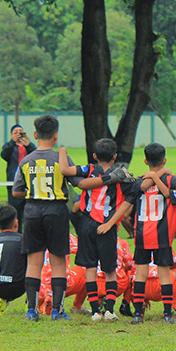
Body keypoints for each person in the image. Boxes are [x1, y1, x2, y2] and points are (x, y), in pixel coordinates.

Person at [101, 143, 176, 324]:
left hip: (142, 233)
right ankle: (167, 314)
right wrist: (163, 173)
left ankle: (138, 315)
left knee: (140, 273)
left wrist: (110, 222)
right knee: (164, 273)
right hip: (162, 235)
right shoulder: (169, 179)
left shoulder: (138, 183)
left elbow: (126, 206)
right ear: (164, 160)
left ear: (145, 161)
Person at [11, 114, 82, 321]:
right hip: (56, 212)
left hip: (32, 212)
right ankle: (57, 311)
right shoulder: (61, 159)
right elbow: (75, 180)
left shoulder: (26, 160)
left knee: (34, 263)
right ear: (56, 135)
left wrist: (34, 192)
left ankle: (31, 310)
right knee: (58, 262)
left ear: (34, 134)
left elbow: (16, 192)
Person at [58, 138, 132, 321]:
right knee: (110, 269)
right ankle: (109, 310)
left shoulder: (89, 170)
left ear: (94, 156)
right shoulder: (121, 174)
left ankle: (95, 311)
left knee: (90, 267)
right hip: (107, 224)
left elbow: (65, 170)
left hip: (87, 223)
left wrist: (62, 151)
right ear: (115, 156)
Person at [0, 123, 36, 226]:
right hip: (14, 180)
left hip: (29, 180)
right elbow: (4, 155)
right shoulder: (9, 146)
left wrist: (28, 145)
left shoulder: (28, 146)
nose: (18, 134)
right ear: (11, 135)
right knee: (15, 209)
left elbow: (36, 155)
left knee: (29, 209)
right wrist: (13, 142)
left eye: (20, 132)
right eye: (15, 132)